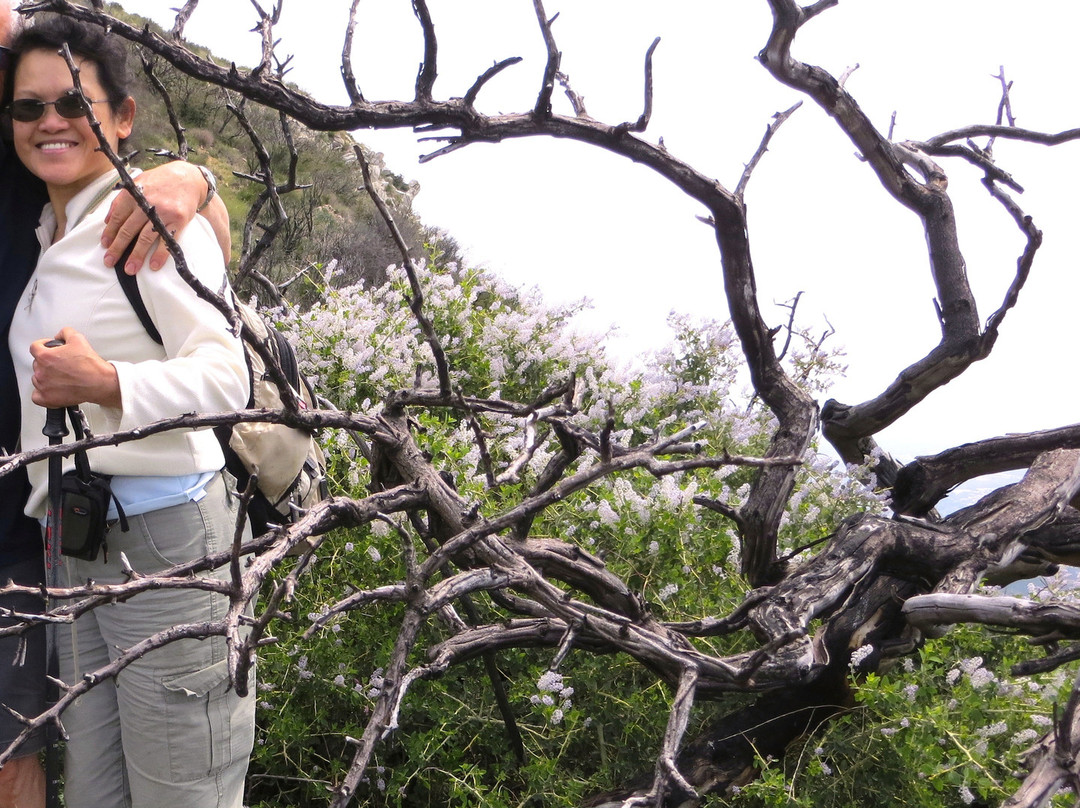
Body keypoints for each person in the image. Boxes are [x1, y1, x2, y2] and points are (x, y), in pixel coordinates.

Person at [4, 13, 253, 808]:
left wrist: (110, 382)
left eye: (73, 103)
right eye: (28, 107)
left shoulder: (144, 216)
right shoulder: (54, 228)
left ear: (121, 116)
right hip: (74, 548)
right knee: (97, 794)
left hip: (168, 538)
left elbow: (227, 380)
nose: (50, 121)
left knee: (184, 789)